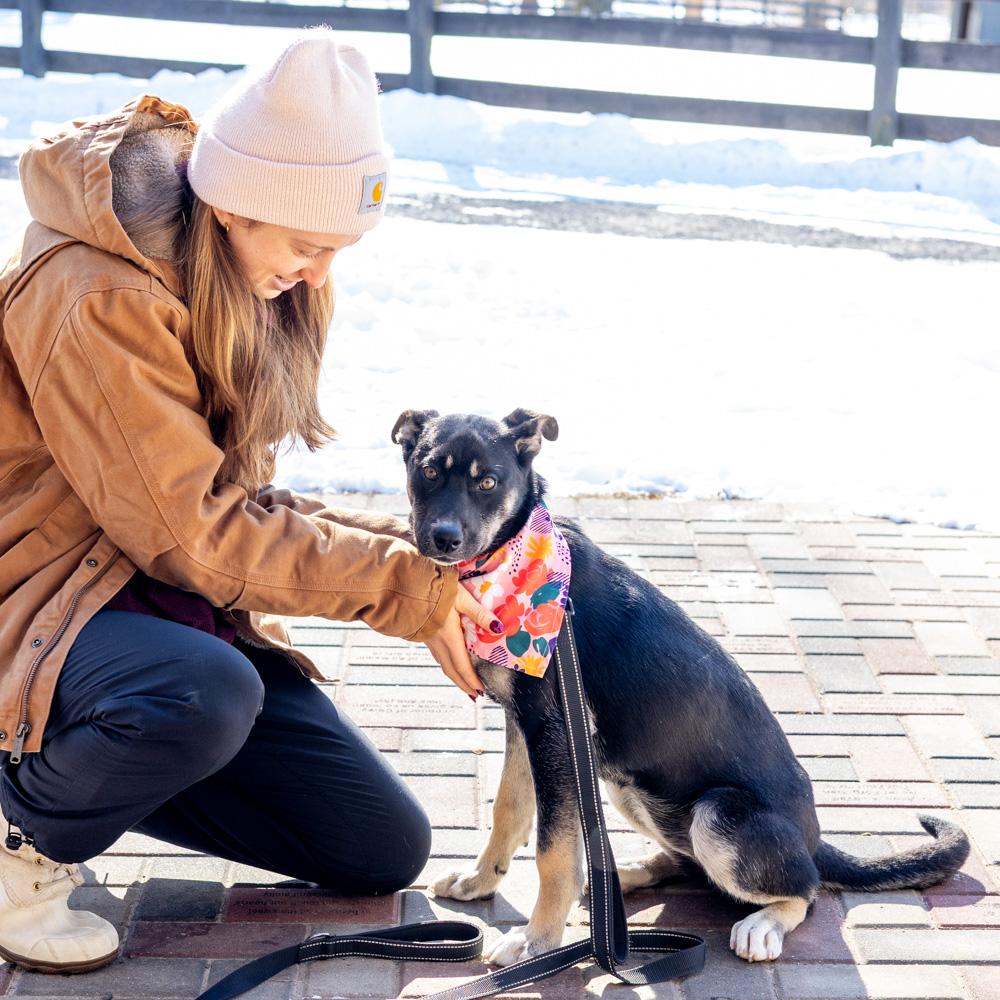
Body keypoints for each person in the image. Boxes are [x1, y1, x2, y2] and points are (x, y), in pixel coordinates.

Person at [0, 28, 500, 974]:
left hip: (125, 601)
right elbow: (193, 536)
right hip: (30, 598)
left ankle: (71, 768)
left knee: (375, 847)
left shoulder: (242, 284)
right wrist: (404, 588)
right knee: (200, 692)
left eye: (337, 250)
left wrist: (425, 555)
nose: (318, 272)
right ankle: (19, 850)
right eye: (308, 244)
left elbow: (243, 497)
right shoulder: (95, 295)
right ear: (233, 205)